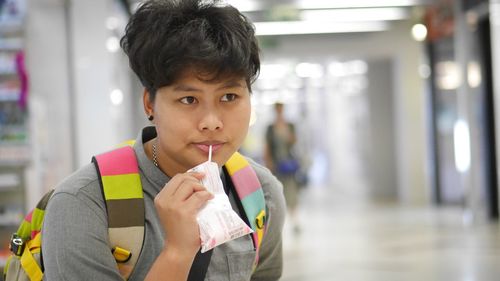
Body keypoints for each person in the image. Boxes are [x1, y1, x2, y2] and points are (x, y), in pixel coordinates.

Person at [41, 0, 286, 280]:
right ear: (150, 105)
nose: (211, 122)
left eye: (229, 97)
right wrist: (177, 253)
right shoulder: (83, 205)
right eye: (188, 99)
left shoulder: (259, 194)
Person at [264, 102, 301, 234]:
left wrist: (288, 134)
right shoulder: (270, 128)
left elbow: (295, 141)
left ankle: (295, 221)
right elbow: (267, 146)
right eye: (277, 110)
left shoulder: (290, 125)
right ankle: (278, 224)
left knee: (292, 193)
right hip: (276, 165)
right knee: (277, 192)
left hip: (289, 164)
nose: (279, 112)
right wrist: (268, 163)